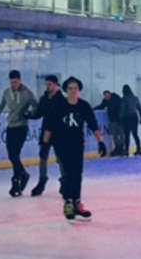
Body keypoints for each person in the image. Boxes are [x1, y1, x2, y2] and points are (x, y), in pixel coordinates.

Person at [44, 77, 107, 220]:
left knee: (77, 174)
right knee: (67, 174)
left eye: (75, 88)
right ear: (66, 90)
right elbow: (50, 124)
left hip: (77, 144)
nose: (73, 91)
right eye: (70, 88)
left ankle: (77, 203)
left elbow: (93, 124)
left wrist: (100, 142)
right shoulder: (59, 105)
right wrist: (45, 143)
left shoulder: (83, 106)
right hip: (61, 144)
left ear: (79, 90)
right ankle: (68, 203)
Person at [0, 70, 37, 196]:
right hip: (10, 126)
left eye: (16, 82)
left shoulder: (27, 93)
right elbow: (2, 104)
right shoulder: (7, 92)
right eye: (12, 82)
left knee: (14, 154)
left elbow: (36, 106)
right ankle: (23, 175)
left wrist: (29, 114)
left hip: (21, 127)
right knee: (12, 155)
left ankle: (16, 181)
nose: (14, 84)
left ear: (20, 80)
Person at [30, 75, 62, 195]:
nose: (47, 86)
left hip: (58, 133)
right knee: (43, 156)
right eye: (46, 84)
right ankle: (42, 181)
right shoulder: (44, 99)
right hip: (45, 132)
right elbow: (38, 113)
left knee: (60, 159)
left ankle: (64, 181)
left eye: (50, 84)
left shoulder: (61, 100)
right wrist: (28, 115)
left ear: (55, 84)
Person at [95, 90, 125, 156]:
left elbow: (122, 108)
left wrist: (122, 118)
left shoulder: (117, 98)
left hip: (120, 120)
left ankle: (121, 148)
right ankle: (117, 148)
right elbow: (101, 106)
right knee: (114, 135)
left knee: (122, 134)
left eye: (107, 95)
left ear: (110, 94)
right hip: (112, 121)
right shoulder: (105, 101)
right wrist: (93, 109)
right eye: (105, 96)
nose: (106, 97)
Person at [120, 84, 141, 156]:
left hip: (126, 118)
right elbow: (139, 108)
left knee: (127, 135)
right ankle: (139, 149)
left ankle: (126, 150)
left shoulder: (123, 99)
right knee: (135, 134)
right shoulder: (135, 98)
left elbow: (122, 110)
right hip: (134, 117)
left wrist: (120, 119)